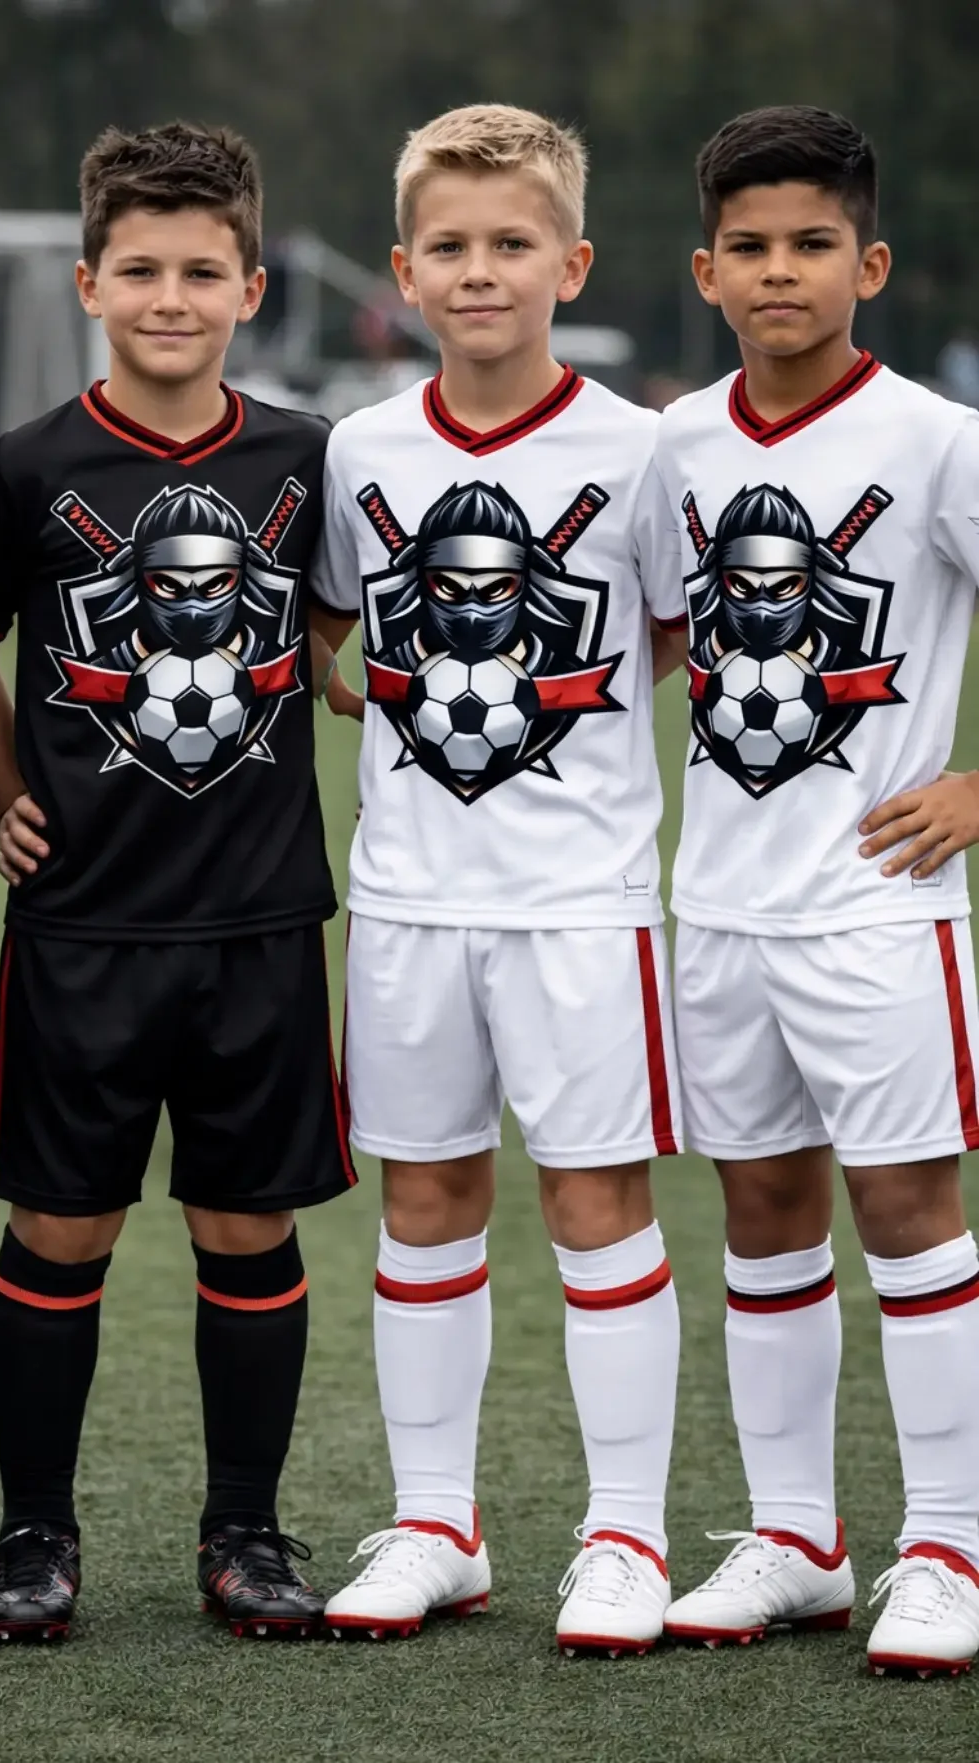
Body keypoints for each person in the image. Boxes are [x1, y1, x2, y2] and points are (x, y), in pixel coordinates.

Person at [0, 121, 355, 1645]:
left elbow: (329, 639)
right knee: (63, 1229)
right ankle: (34, 1539)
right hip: (83, 924)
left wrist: (351, 683)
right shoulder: (29, 464)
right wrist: (3, 795)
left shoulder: (308, 457)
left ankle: (245, 1532)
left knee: (248, 1230)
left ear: (251, 285)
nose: (171, 295)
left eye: (202, 270)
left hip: (258, 919)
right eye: (141, 269)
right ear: (89, 281)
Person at [312, 104, 687, 1655]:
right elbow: (337, 627)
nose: (481, 272)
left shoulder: (639, 448)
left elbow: (670, 630)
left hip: (584, 900)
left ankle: (627, 1535)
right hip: (406, 894)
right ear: (404, 270)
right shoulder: (360, 447)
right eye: (450, 248)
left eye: (512, 244)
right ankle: (435, 1523)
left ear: (571, 260)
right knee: (425, 1197)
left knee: (600, 1202)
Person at [653, 105, 979, 1679]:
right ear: (706, 269)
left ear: (872, 260)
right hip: (715, 902)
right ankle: (798, 1538)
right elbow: (648, 628)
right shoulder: (677, 444)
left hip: (875, 906)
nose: (782, 272)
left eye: (813, 244)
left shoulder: (935, 439)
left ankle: (950, 1545)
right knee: (764, 1211)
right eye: (753, 248)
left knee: (909, 1214)